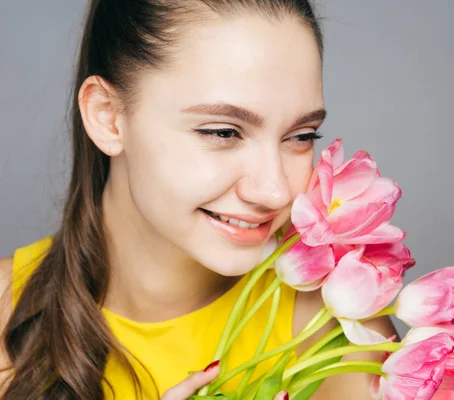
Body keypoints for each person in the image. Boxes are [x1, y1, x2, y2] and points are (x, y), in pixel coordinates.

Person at [0, 0, 397, 398]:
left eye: (301, 136)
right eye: (223, 132)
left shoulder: (337, 328)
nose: (275, 191)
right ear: (107, 115)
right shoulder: (5, 308)